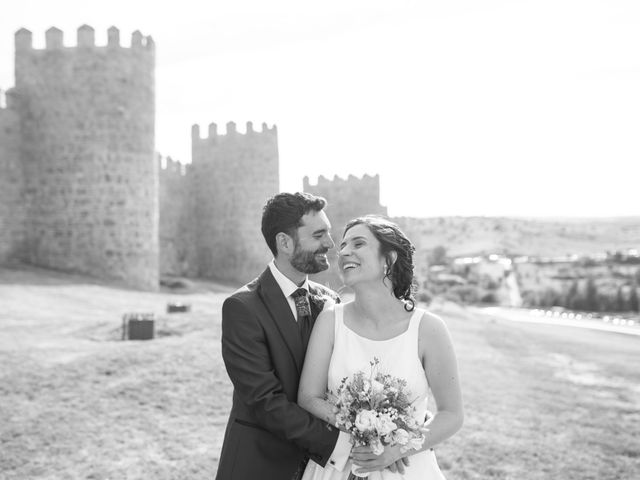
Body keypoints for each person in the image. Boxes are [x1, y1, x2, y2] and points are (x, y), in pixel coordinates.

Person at [298, 216, 464, 480]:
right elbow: (308, 396)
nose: (344, 252)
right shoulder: (330, 320)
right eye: (343, 245)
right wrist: (363, 427)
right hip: (339, 468)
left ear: (390, 258)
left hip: (407, 470)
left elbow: (452, 414)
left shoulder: (429, 329)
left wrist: (396, 448)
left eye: (358, 243)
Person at [216, 192, 353, 480]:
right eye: (319, 234)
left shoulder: (331, 302)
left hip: (320, 471)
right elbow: (266, 403)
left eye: (328, 233)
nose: (330, 243)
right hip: (260, 466)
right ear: (285, 242)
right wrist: (340, 444)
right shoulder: (242, 308)